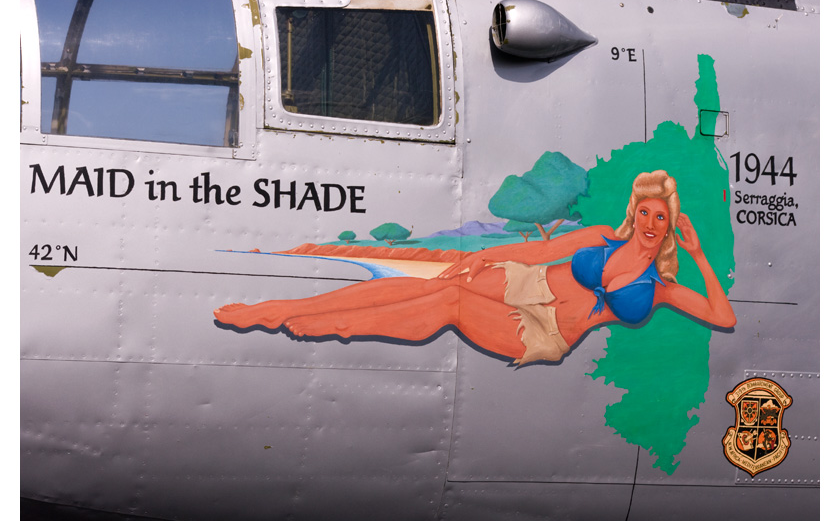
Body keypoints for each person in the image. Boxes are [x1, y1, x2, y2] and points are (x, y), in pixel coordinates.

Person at [214, 170, 736, 365]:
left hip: (546, 327)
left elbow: (723, 316)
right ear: (634, 213)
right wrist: (480, 257)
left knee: (448, 302)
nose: (650, 223)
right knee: (436, 279)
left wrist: (697, 255)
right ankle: (289, 308)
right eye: (644, 212)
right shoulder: (603, 236)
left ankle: (328, 320)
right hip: (528, 281)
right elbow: (539, 254)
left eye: (660, 217)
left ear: (671, 224)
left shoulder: (661, 286)